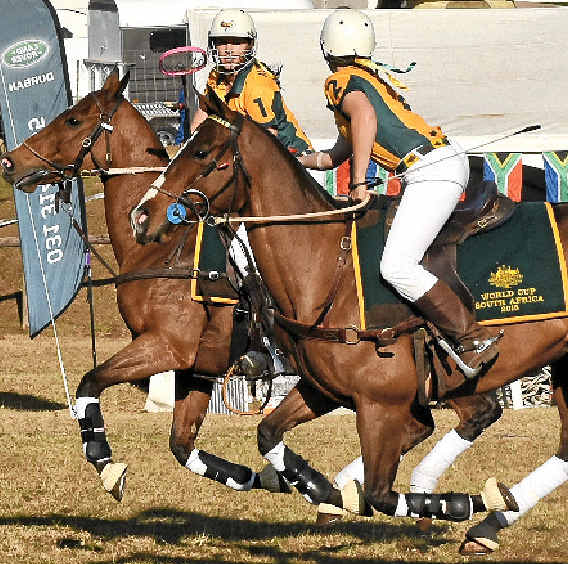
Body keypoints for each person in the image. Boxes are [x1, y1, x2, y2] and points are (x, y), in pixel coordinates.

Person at [299, 8, 501, 382]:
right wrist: (298, 161)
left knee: (397, 266)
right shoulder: (366, 77)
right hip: (437, 163)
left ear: (326, 47)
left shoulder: (341, 81)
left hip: (431, 170)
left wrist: (358, 182)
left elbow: (364, 120)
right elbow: (335, 153)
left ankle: (472, 337)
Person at [193, 9, 312, 155]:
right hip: (246, 152)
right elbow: (200, 121)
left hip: (291, 158)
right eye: (222, 42)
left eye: (236, 42)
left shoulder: (258, 86)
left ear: (250, 45)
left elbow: (266, 142)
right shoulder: (216, 77)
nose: (228, 50)